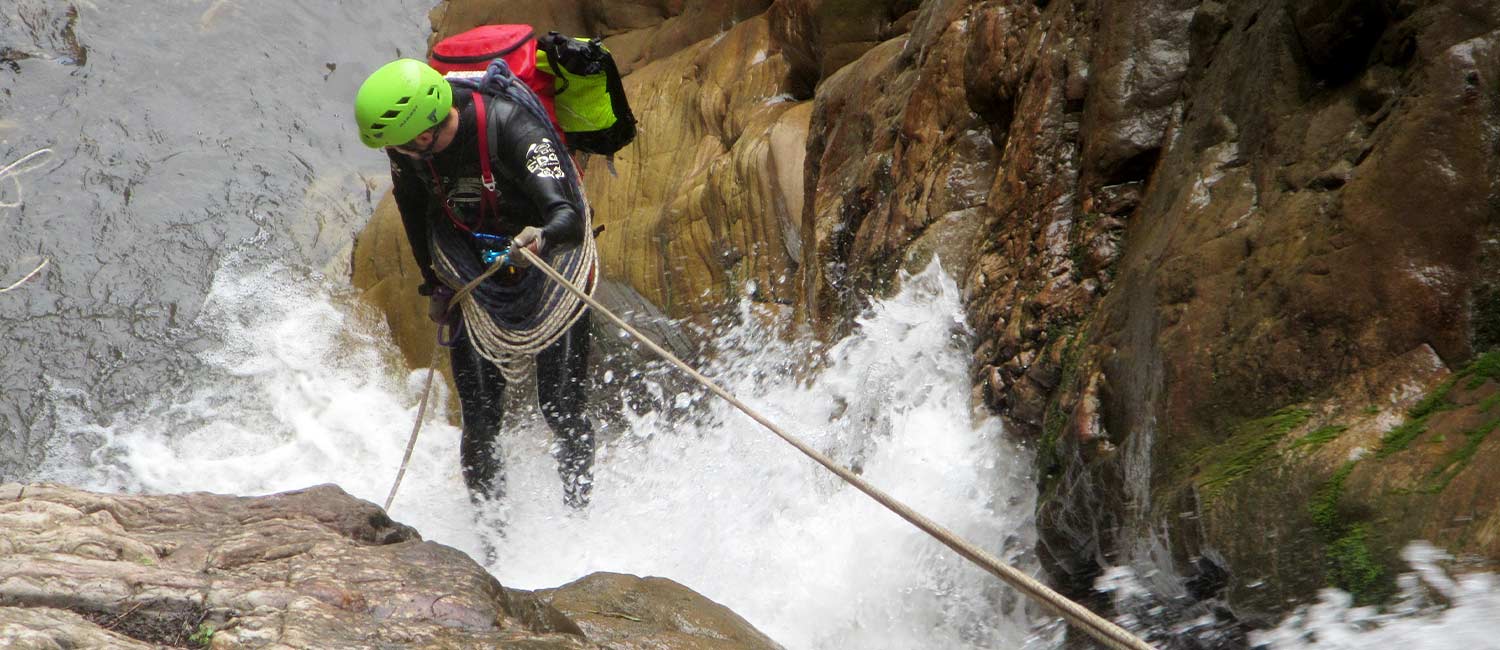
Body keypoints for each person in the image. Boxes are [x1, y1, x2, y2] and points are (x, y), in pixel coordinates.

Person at [353, 58, 597, 508]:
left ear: (424, 133)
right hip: (471, 269)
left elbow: (570, 218)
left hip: (549, 267)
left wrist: (538, 241)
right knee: (481, 421)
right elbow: (412, 207)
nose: (395, 153)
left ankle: (578, 512)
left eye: (400, 145)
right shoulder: (407, 150)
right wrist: (435, 283)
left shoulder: (513, 127)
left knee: (560, 405)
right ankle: (491, 542)